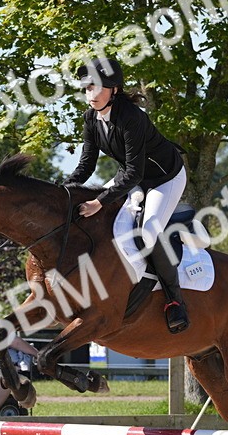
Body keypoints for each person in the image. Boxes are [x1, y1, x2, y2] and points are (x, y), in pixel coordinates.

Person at [62, 56, 190, 334]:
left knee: (150, 231)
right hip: (134, 176)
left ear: (114, 90)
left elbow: (133, 172)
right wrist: (64, 191)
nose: (91, 95)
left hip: (164, 178)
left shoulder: (132, 118)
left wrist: (99, 201)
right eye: (87, 89)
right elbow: (86, 166)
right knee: (101, 218)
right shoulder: (90, 119)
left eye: (98, 88)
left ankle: (174, 300)